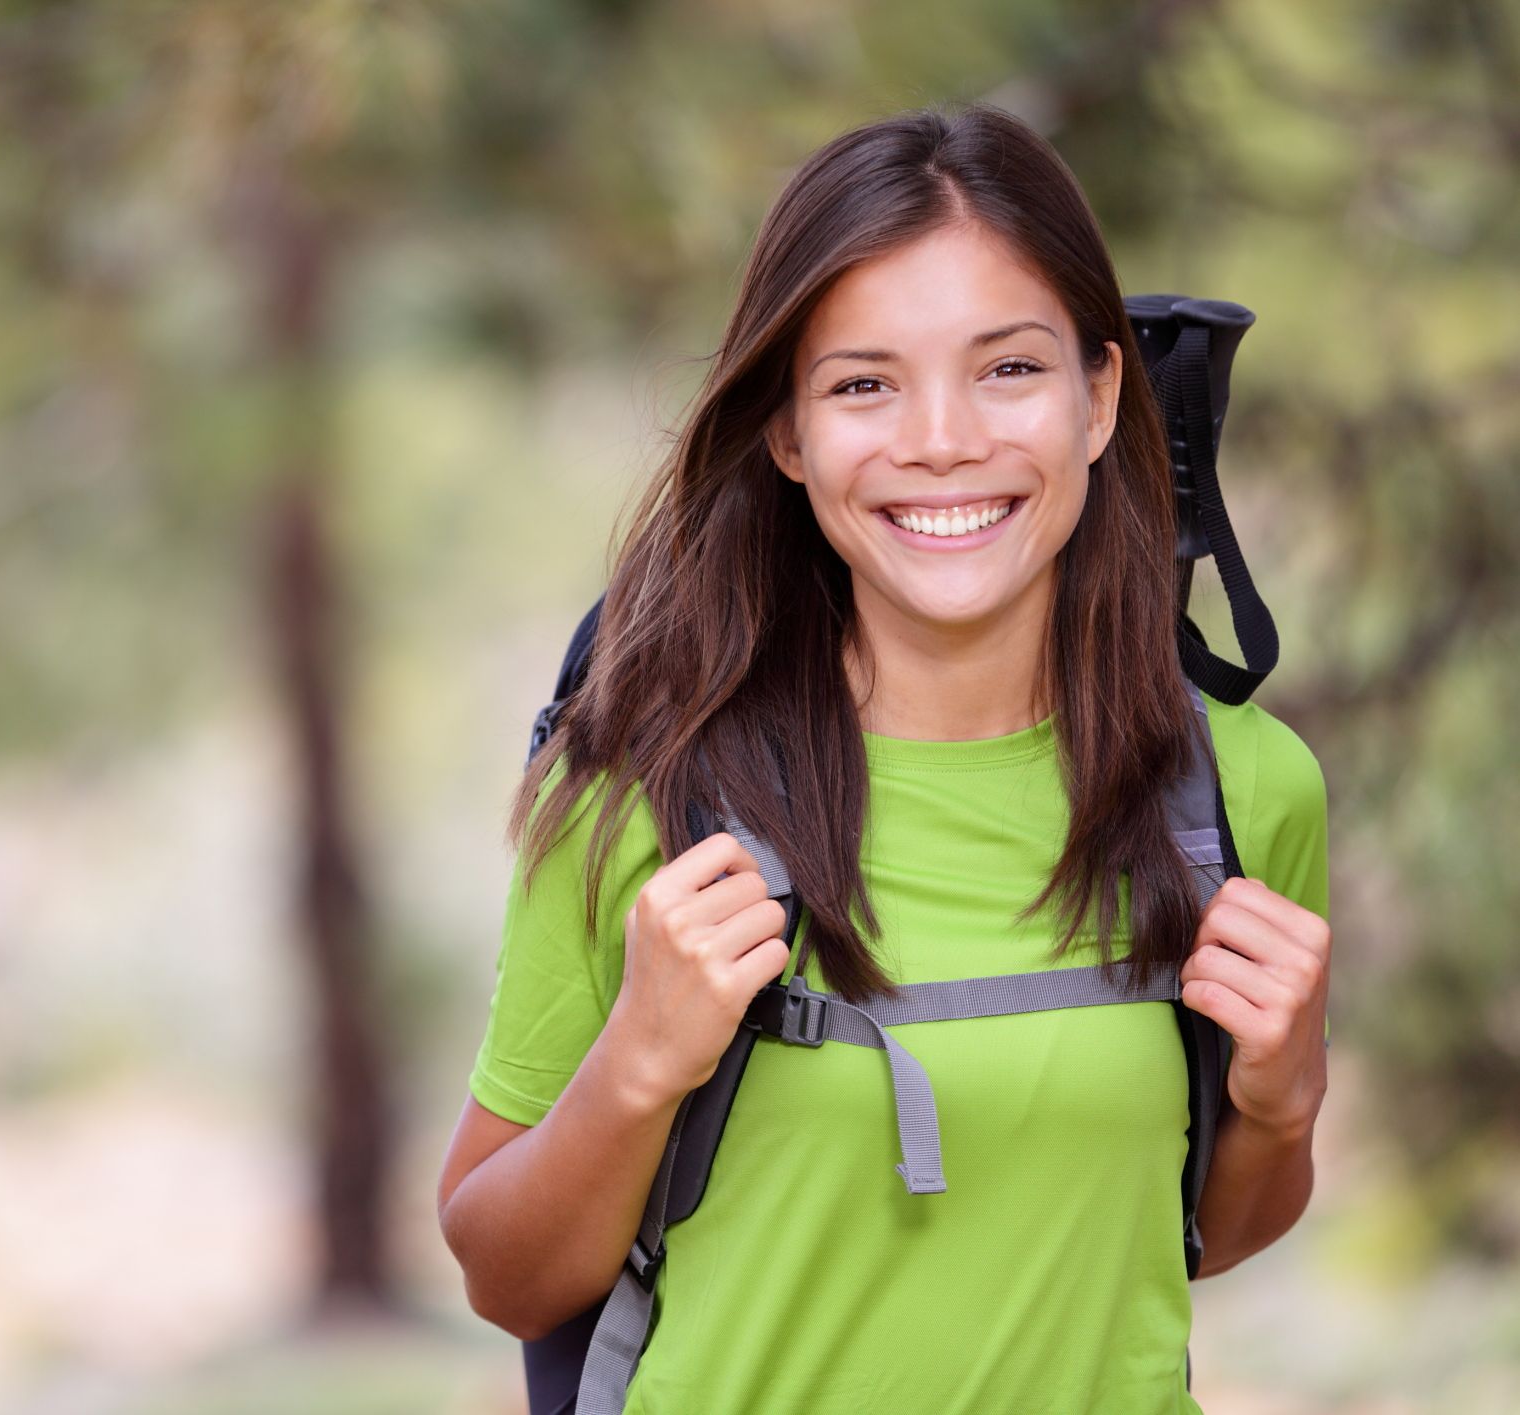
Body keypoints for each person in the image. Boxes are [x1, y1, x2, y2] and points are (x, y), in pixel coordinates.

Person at [435, 102, 1331, 1414]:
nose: (940, 440)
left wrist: (1283, 1098)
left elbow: (1195, 1236)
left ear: (1098, 396)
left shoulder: (1237, 792)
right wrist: (638, 1060)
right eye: (862, 384)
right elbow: (507, 1278)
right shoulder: (646, 794)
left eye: (1007, 370)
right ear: (788, 436)